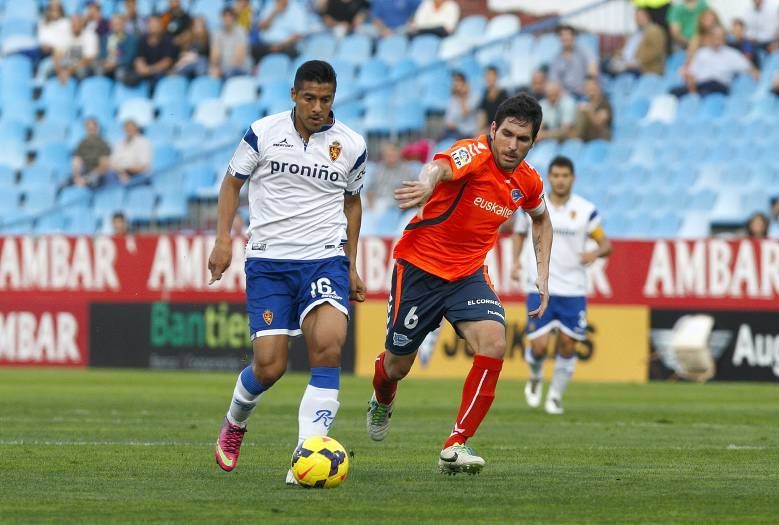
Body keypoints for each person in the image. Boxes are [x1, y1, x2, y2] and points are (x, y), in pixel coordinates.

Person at [366, 93, 554, 475]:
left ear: (533, 142)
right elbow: (439, 168)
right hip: (419, 268)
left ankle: (456, 443)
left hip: (468, 275)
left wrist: (543, 276)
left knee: (495, 341)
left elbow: (542, 220)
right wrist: (425, 184)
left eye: (522, 140)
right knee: (397, 365)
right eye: (507, 135)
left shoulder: (527, 180)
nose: (512, 146)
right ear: (493, 130)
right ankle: (382, 395)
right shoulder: (475, 153)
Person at [209, 60, 367, 484]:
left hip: (323, 259)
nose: (318, 107)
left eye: (327, 99)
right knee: (270, 366)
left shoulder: (351, 144)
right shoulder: (263, 132)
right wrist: (223, 239)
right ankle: (235, 423)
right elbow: (231, 183)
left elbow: (353, 202)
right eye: (310, 98)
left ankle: (307, 458)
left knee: (330, 345)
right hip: (269, 262)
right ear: (294, 95)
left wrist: (350, 264)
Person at [511, 155, 611, 415]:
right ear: (549, 178)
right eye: (555, 175)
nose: (560, 180)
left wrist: (595, 253)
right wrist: (515, 263)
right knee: (540, 346)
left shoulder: (585, 210)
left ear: (572, 178)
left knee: (568, 344)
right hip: (539, 285)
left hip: (573, 288)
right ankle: (535, 376)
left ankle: (554, 395)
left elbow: (605, 244)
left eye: (565, 175)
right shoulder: (534, 205)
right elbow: (520, 235)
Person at [670, 26, 757, 97]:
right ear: (709, 38)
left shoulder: (732, 54)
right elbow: (692, 73)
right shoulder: (701, 53)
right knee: (673, 91)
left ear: (724, 39)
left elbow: (749, 67)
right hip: (700, 84)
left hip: (719, 85)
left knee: (711, 83)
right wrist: (692, 86)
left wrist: (755, 74)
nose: (717, 39)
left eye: (719, 37)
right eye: (714, 37)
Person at [549, 25, 598, 98]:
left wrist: (589, 82)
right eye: (562, 35)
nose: (565, 37)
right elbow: (554, 80)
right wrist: (561, 93)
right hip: (566, 95)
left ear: (574, 37)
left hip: (583, 93)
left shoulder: (584, 50)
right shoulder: (556, 58)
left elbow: (592, 67)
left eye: (567, 35)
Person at [133, 15, 178, 90]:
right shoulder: (142, 40)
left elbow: (167, 62)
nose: (153, 26)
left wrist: (149, 70)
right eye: (151, 24)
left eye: (155, 24)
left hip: (161, 74)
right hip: (145, 73)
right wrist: (142, 69)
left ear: (160, 26)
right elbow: (139, 59)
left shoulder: (168, 40)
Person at [209, 7, 251, 78]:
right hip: (223, 69)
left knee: (229, 73)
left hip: (241, 68)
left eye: (230, 16)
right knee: (208, 72)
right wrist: (215, 67)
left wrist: (222, 71)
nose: (227, 19)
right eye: (225, 16)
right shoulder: (216, 33)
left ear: (234, 18)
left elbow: (239, 59)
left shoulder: (241, 32)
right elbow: (215, 55)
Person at [71, 117, 111, 188]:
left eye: (93, 129)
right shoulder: (82, 144)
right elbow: (76, 161)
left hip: (98, 175)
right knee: (64, 183)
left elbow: (104, 165)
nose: (91, 131)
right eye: (89, 129)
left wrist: (88, 178)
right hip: (84, 172)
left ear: (97, 129)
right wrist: (77, 176)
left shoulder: (103, 144)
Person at [110, 120, 152, 184]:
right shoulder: (119, 143)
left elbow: (143, 167)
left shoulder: (143, 142)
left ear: (136, 129)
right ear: (124, 130)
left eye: (131, 128)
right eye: (127, 128)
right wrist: (121, 171)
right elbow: (112, 162)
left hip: (138, 175)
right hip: (120, 173)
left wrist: (124, 168)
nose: (129, 130)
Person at [441, 71, 480, 141]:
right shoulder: (453, 99)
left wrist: (462, 96)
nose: (455, 84)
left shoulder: (475, 96)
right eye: (454, 82)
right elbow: (448, 121)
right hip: (454, 131)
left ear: (464, 83)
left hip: (469, 133)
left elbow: (465, 113)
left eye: (457, 81)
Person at [571, 77, 612, 141]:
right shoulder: (585, 102)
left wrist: (589, 111)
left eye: (592, 86)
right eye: (587, 86)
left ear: (598, 87)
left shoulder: (605, 104)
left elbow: (598, 124)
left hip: (601, 138)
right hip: (586, 138)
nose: (589, 88)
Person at [477, 65, 509, 132]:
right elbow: (481, 119)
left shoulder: (504, 94)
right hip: (489, 130)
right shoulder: (484, 96)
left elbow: (506, 119)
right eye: (486, 75)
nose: (488, 78)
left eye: (491, 75)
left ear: (497, 77)